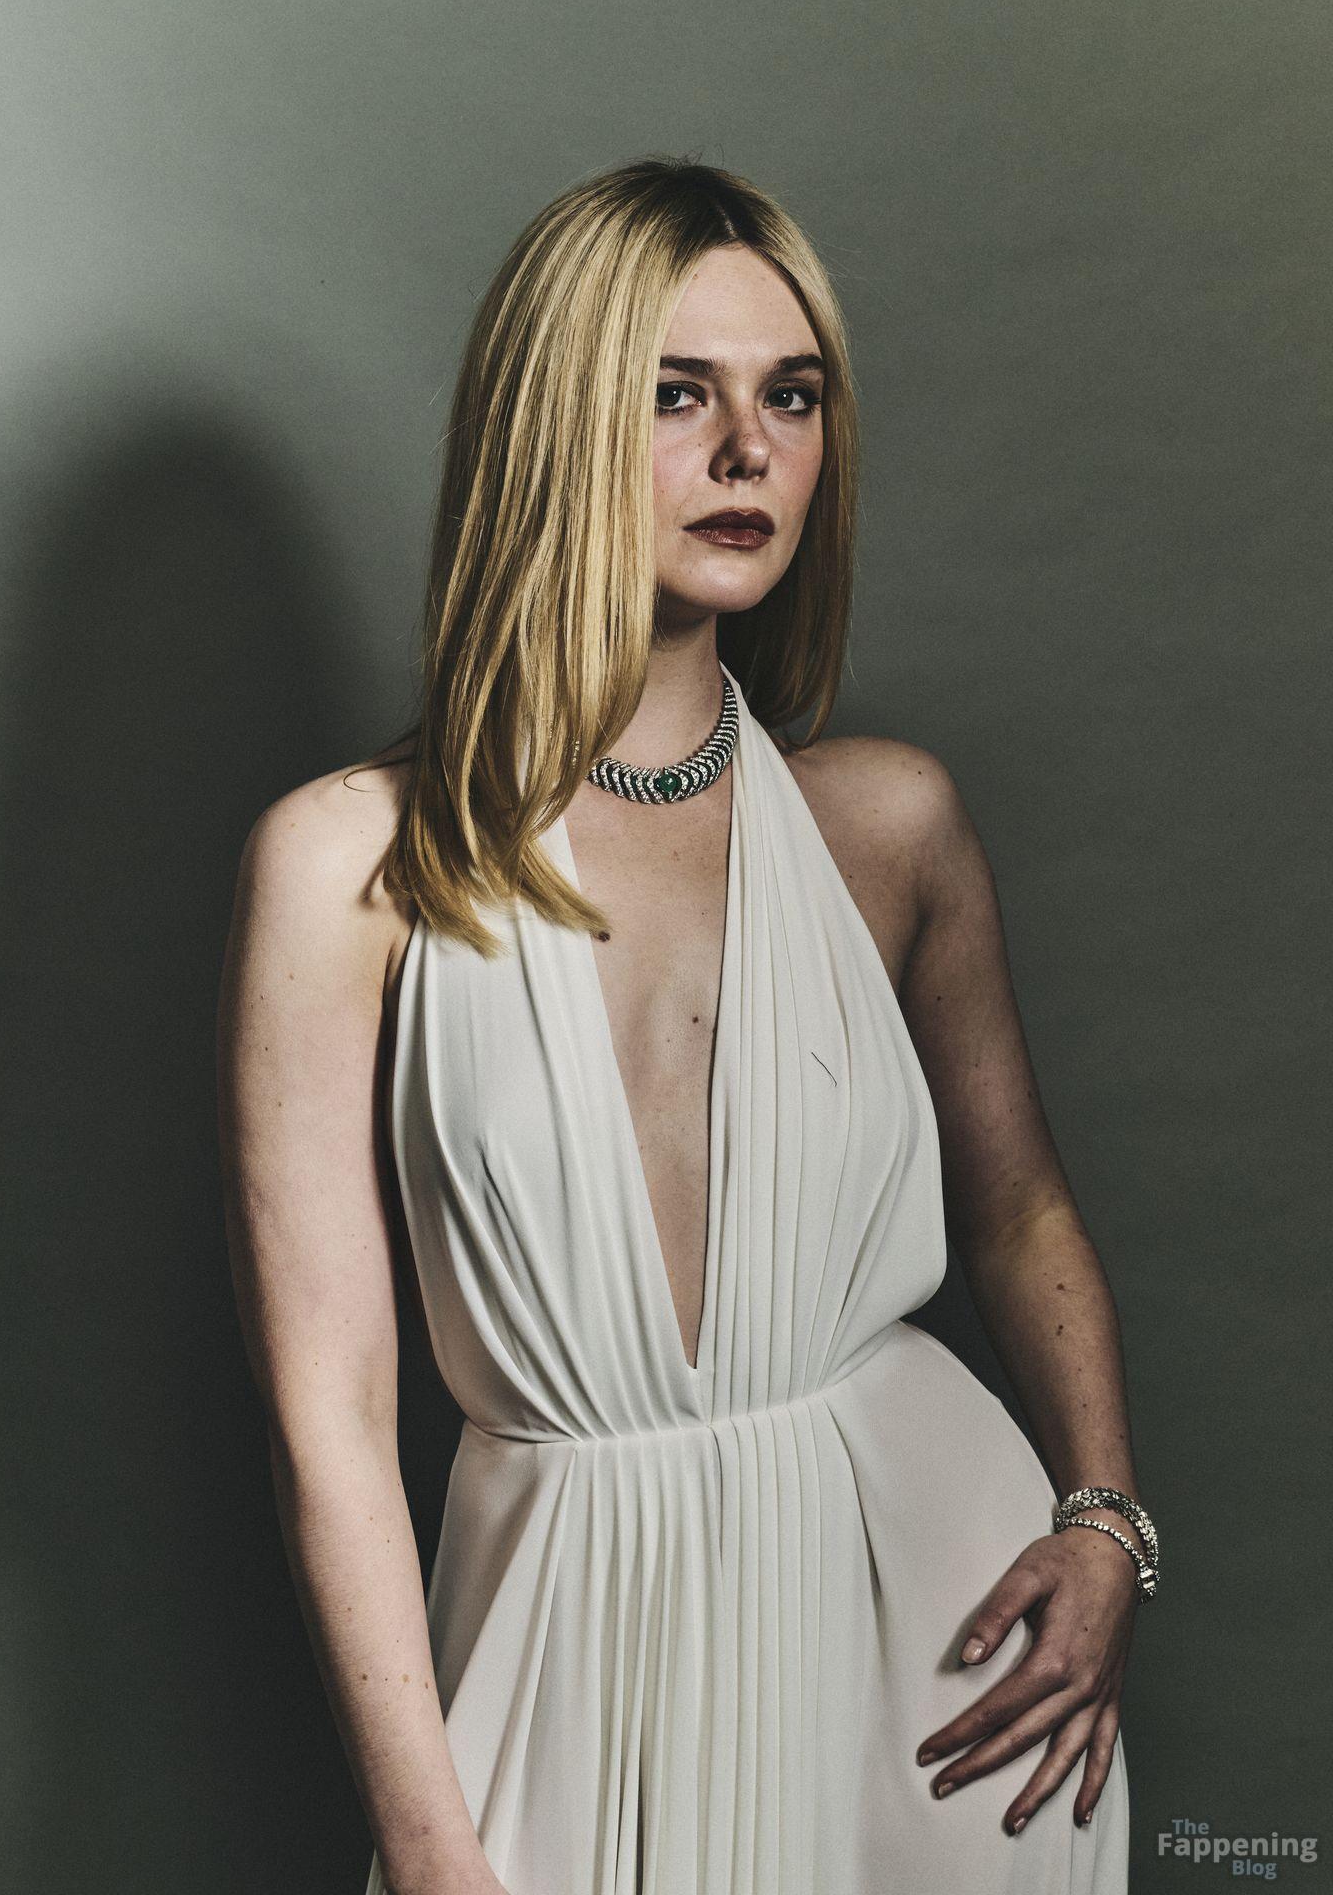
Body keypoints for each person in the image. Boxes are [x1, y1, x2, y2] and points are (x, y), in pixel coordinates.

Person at [215, 156, 1153, 1895]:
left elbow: (1022, 1205)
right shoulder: (345, 868)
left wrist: (1105, 1522)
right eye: (675, 393)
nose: (747, 451)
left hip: (944, 1682)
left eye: (791, 395)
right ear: (552, 425)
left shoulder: (889, 827)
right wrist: (428, 1845)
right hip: (565, 1656)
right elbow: (328, 1418)